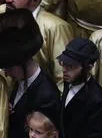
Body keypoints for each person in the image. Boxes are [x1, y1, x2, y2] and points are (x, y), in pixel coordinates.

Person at [0, 8, 60, 138]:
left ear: (22, 62)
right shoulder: (17, 81)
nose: (6, 72)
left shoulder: (46, 96)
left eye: (9, 67)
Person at [56, 38, 102, 138]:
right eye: (63, 63)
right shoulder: (69, 81)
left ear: (89, 68)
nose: (64, 70)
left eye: (71, 66)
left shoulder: (100, 102)